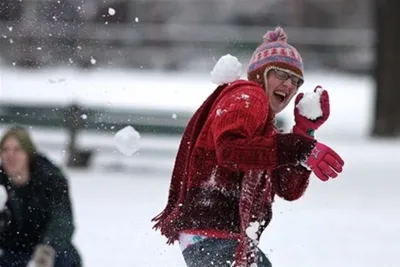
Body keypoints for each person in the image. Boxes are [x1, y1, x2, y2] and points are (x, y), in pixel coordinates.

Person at [152, 26, 345, 267]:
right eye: (281, 74)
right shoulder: (248, 96)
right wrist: (299, 148)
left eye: (296, 80)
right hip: (212, 235)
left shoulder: (265, 130)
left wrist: (304, 133)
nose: (289, 85)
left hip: (221, 238)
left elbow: (288, 189)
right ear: (260, 74)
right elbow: (230, 151)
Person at [0, 126, 82, 267]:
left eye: (17, 150)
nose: (10, 155)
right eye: (5, 150)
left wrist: (47, 248)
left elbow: (62, 221)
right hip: (10, 250)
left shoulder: (51, 179)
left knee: (65, 257)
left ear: (28, 153)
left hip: (47, 248)